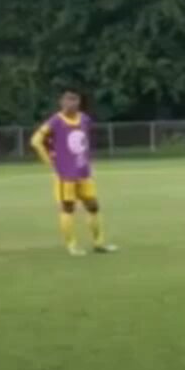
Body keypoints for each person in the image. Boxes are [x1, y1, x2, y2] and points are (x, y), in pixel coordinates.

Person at [30, 90, 117, 256]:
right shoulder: (56, 121)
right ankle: (72, 246)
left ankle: (99, 243)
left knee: (93, 205)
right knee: (68, 207)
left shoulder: (84, 119)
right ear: (62, 104)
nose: (72, 105)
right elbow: (36, 141)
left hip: (84, 172)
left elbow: (83, 141)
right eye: (68, 102)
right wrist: (51, 163)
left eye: (75, 102)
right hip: (65, 174)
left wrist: (87, 160)